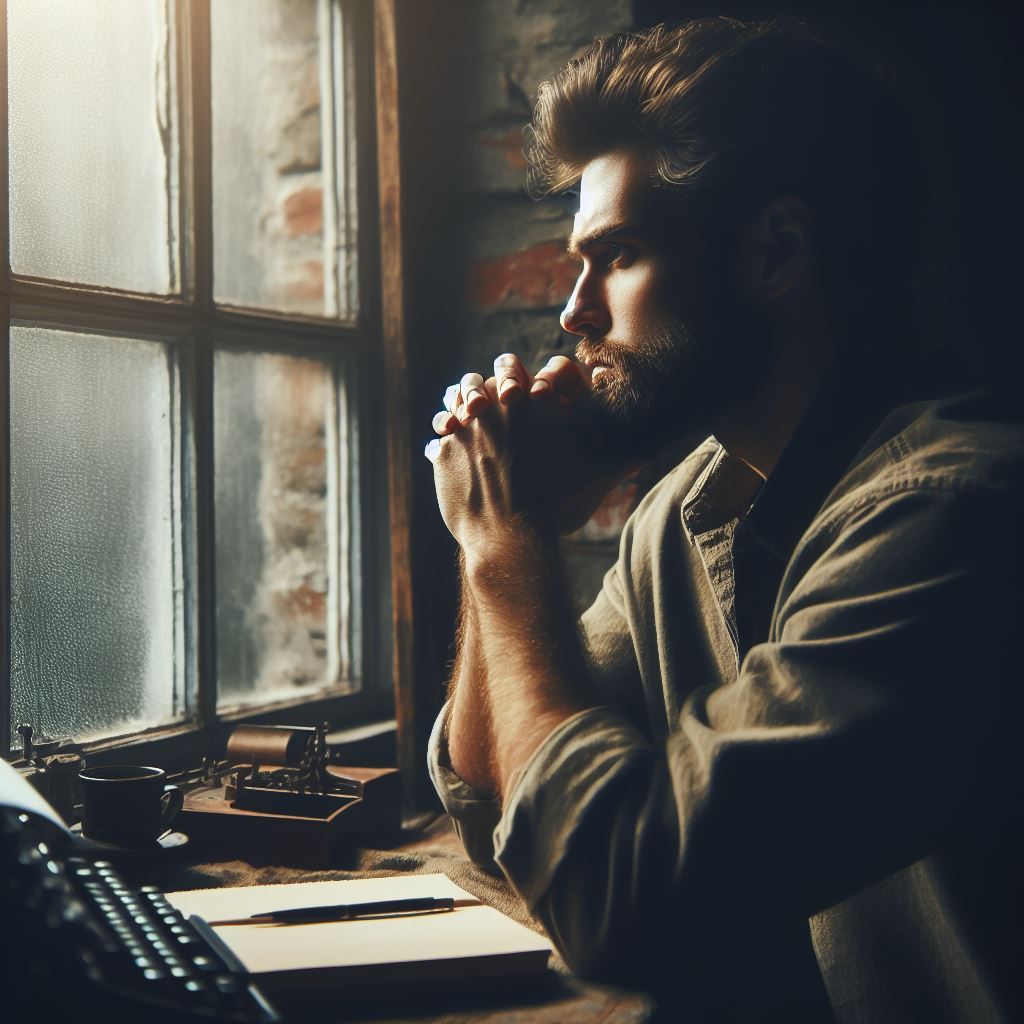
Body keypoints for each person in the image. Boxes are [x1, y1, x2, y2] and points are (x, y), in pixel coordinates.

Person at [423, 17, 1024, 1022]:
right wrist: (501, 532)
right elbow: (504, 812)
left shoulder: (956, 517)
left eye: (615, 255)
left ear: (776, 251)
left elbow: (613, 892)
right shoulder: (684, 510)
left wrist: (503, 547)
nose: (572, 311)